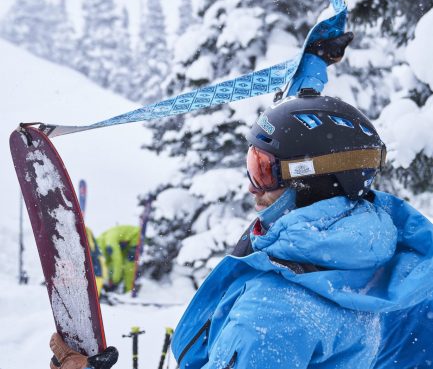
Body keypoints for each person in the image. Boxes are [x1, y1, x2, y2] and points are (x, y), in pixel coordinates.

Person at [48, 32, 433, 369]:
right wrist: (312, 66)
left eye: (264, 170)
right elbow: (322, 146)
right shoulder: (371, 253)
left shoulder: (273, 315)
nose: (252, 185)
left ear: (308, 182)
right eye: (252, 163)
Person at [97, 224, 140, 293]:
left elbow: (117, 260)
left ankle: (129, 291)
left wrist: (114, 281)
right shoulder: (104, 243)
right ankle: (128, 289)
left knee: (129, 264)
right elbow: (109, 265)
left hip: (136, 236)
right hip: (128, 241)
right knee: (125, 265)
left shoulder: (110, 242)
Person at [85, 227, 107, 296]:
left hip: (94, 263)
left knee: (98, 273)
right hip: (92, 263)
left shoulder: (87, 230)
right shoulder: (86, 230)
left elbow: (93, 248)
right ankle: (95, 294)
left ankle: (96, 295)